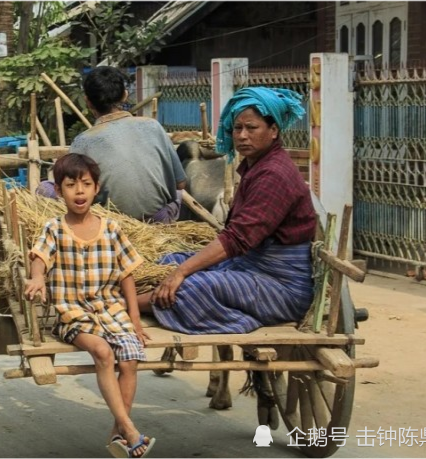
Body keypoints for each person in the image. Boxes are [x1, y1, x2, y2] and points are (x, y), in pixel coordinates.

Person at [138, 87, 316, 334]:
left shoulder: (274, 174)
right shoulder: (257, 167)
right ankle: (143, 299)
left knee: (192, 285)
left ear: (273, 131)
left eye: (252, 128)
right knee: (172, 260)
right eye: (237, 128)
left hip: (280, 287)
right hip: (249, 267)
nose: (242, 135)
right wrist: (179, 268)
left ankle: (124, 306)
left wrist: (181, 274)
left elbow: (237, 239)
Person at [25, 153, 156, 459]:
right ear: (59, 191)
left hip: (111, 310)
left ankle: (117, 434)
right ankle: (130, 430)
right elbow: (39, 259)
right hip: (73, 313)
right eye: (71, 185)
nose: (79, 192)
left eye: (86, 184)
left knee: (130, 359)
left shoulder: (111, 228)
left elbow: (127, 274)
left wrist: (135, 320)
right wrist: (37, 280)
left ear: (97, 188)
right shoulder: (53, 228)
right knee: (102, 352)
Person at [69, 66, 187, 223]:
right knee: (180, 194)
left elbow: (74, 194)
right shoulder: (153, 126)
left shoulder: (82, 142)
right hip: (158, 220)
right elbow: (180, 183)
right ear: (125, 95)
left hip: (110, 223)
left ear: (88, 102)